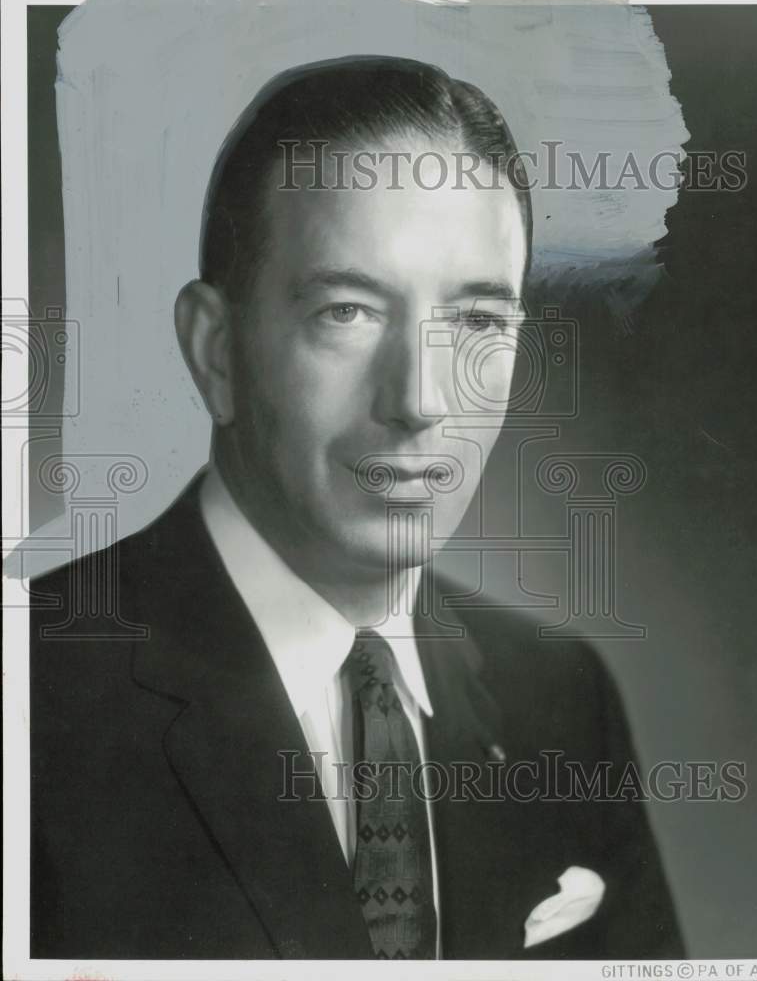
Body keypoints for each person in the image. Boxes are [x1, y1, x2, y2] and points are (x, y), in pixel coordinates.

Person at [30, 56, 683, 960]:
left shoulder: (561, 698)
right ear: (215, 351)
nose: (418, 400)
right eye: (346, 311)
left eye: (477, 321)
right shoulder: (31, 696)